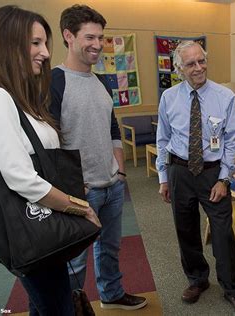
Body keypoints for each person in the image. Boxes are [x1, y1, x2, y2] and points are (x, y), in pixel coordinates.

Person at [0, 5, 100, 315]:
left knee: (46, 306)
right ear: (7, 44)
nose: (44, 52)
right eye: (35, 43)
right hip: (32, 231)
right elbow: (19, 176)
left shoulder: (15, 97)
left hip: (42, 229)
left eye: (45, 43)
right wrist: (80, 207)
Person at [50, 4, 147, 310]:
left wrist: (120, 172)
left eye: (101, 38)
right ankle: (69, 307)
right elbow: (49, 143)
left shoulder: (102, 82)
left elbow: (112, 127)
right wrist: (69, 190)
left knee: (110, 248)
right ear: (69, 36)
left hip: (112, 185)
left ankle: (112, 293)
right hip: (79, 193)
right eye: (89, 37)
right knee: (74, 260)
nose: (97, 45)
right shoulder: (53, 82)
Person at [156, 40, 235, 316]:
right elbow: (162, 140)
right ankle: (197, 279)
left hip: (212, 173)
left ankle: (233, 288)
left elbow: (232, 142)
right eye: (191, 64)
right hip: (179, 171)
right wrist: (163, 177)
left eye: (201, 61)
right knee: (185, 229)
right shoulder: (169, 98)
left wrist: (225, 180)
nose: (199, 68)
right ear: (179, 69)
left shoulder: (225, 97)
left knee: (223, 233)